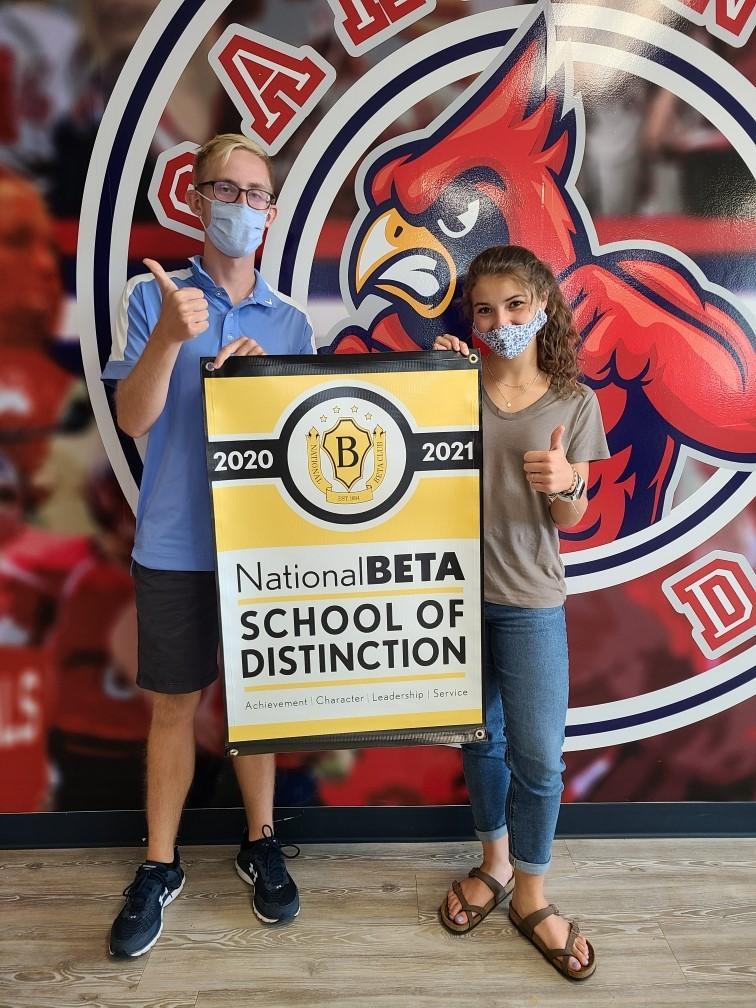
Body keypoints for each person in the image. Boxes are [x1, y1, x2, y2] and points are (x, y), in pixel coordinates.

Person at [102, 133, 315, 958]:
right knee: (175, 707)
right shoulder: (153, 298)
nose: (241, 206)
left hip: (262, 547)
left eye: (256, 194)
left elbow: (304, 449)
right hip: (175, 541)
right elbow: (133, 420)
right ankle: (160, 863)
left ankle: (260, 843)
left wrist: (259, 385)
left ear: (269, 212)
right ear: (196, 199)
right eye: (226, 190)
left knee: (258, 707)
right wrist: (169, 340)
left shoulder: (291, 319)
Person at [433, 245, 610, 981]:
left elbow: (573, 516)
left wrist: (566, 481)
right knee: (482, 741)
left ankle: (531, 893)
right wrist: (429, 378)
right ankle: (496, 865)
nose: (500, 320)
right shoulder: (452, 384)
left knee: (539, 760)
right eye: (484, 309)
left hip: (532, 602)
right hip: (452, 600)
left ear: (542, 308)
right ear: (470, 319)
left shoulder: (575, 402)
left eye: (514, 306)